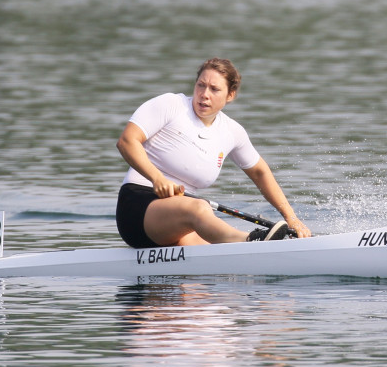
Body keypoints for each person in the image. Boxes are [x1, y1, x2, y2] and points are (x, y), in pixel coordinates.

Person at [116, 58, 311, 248]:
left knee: (209, 263)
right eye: (201, 85)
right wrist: (157, 178)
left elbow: (260, 172)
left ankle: (259, 252)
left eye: (214, 89)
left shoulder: (232, 132)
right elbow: (127, 141)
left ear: (230, 95)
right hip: (139, 206)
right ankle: (251, 242)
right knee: (201, 208)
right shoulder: (171, 105)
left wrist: (291, 218)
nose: (204, 94)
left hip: (180, 220)